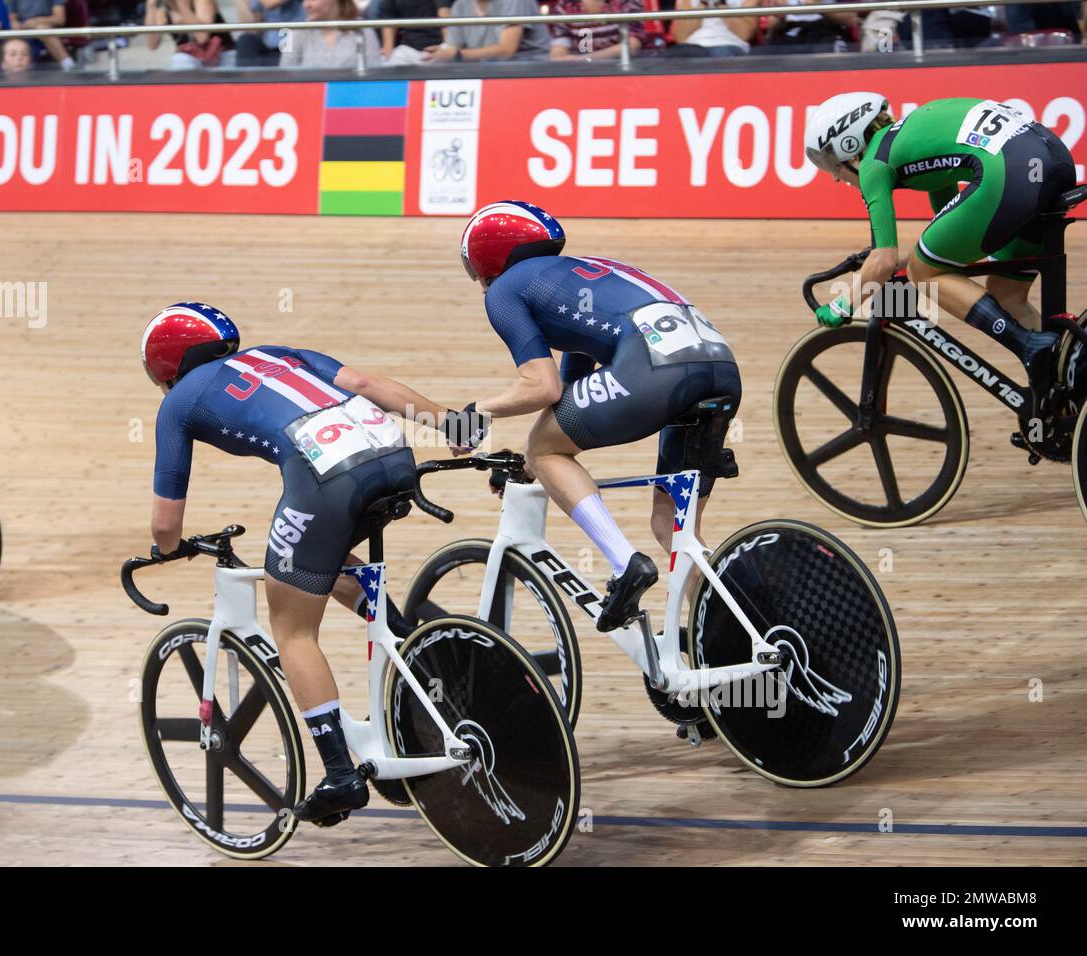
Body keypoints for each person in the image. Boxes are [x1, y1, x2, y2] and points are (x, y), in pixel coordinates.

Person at [141, 303, 482, 825]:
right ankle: (403, 635)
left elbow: (166, 525)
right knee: (311, 558)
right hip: (394, 453)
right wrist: (451, 423)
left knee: (292, 626)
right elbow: (368, 383)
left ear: (164, 368)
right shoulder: (278, 354)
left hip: (328, 477)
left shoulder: (178, 403)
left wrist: (167, 551)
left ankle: (340, 773)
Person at [457, 201, 741, 631]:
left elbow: (542, 386)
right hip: (720, 368)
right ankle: (736, 631)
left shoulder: (505, 290)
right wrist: (532, 469)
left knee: (545, 448)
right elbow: (569, 396)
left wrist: (478, 413)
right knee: (673, 528)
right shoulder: (581, 274)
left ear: (483, 259)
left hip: (656, 369)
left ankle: (626, 564)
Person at [805, 93, 1079, 421]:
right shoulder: (912, 136)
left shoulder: (874, 164)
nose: (835, 177)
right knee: (1006, 292)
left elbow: (883, 259)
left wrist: (840, 305)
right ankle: (1069, 371)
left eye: (830, 164)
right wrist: (911, 259)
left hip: (1013, 171)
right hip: (1053, 159)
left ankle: (1031, 347)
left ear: (849, 145)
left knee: (925, 273)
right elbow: (947, 238)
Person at [428, 0, 550, 62]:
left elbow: (507, 50)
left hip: (530, 68)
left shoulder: (514, 1)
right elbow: (453, 48)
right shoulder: (460, 5)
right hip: (486, 69)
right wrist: (439, 54)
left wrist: (457, 54)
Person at [280, 0, 378, 67]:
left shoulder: (363, 30)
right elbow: (285, 75)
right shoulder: (294, 32)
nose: (306, 5)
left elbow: (375, 73)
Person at [145, 0, 232, 71]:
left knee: (181, 60)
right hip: (192, 58)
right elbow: (152, 44)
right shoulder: (163, 7)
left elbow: (202, 37)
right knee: (180, 59)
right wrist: (151, 6)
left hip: (222, 55)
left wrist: (181, 7)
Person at [547, 0, 645, 61]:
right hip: (582, 73)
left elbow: (633, 45)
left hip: (623, 67)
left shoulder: (626, 2)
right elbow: (558, 51)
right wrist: (560, 58)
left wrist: (586, 59)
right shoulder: (566, 4)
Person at [665, 0, 758, 57]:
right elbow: (681, 37)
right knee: (666, 60)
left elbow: (744, 34)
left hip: (729, 44)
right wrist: (704, 3)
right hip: (692, 45)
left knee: (721, 57)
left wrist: (720, 3)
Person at [234, 0, 303, 67]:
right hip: (269, 48)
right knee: (245, 40)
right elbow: (252, 29)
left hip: (293, 47)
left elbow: (269, 4)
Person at [9, 0, 74, 71]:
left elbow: (59, 19)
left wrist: (36, 22)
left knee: (42, 29)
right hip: (23, 30)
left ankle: (69, 65)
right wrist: (17, 25)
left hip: (47, 28)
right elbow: (12, 19)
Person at [378, 0, 447, 66]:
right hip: (408, 49)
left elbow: (446, 16)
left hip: (439, 46)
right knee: (385, 63)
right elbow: (389, 14)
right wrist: (387, 48)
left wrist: (447, 49)